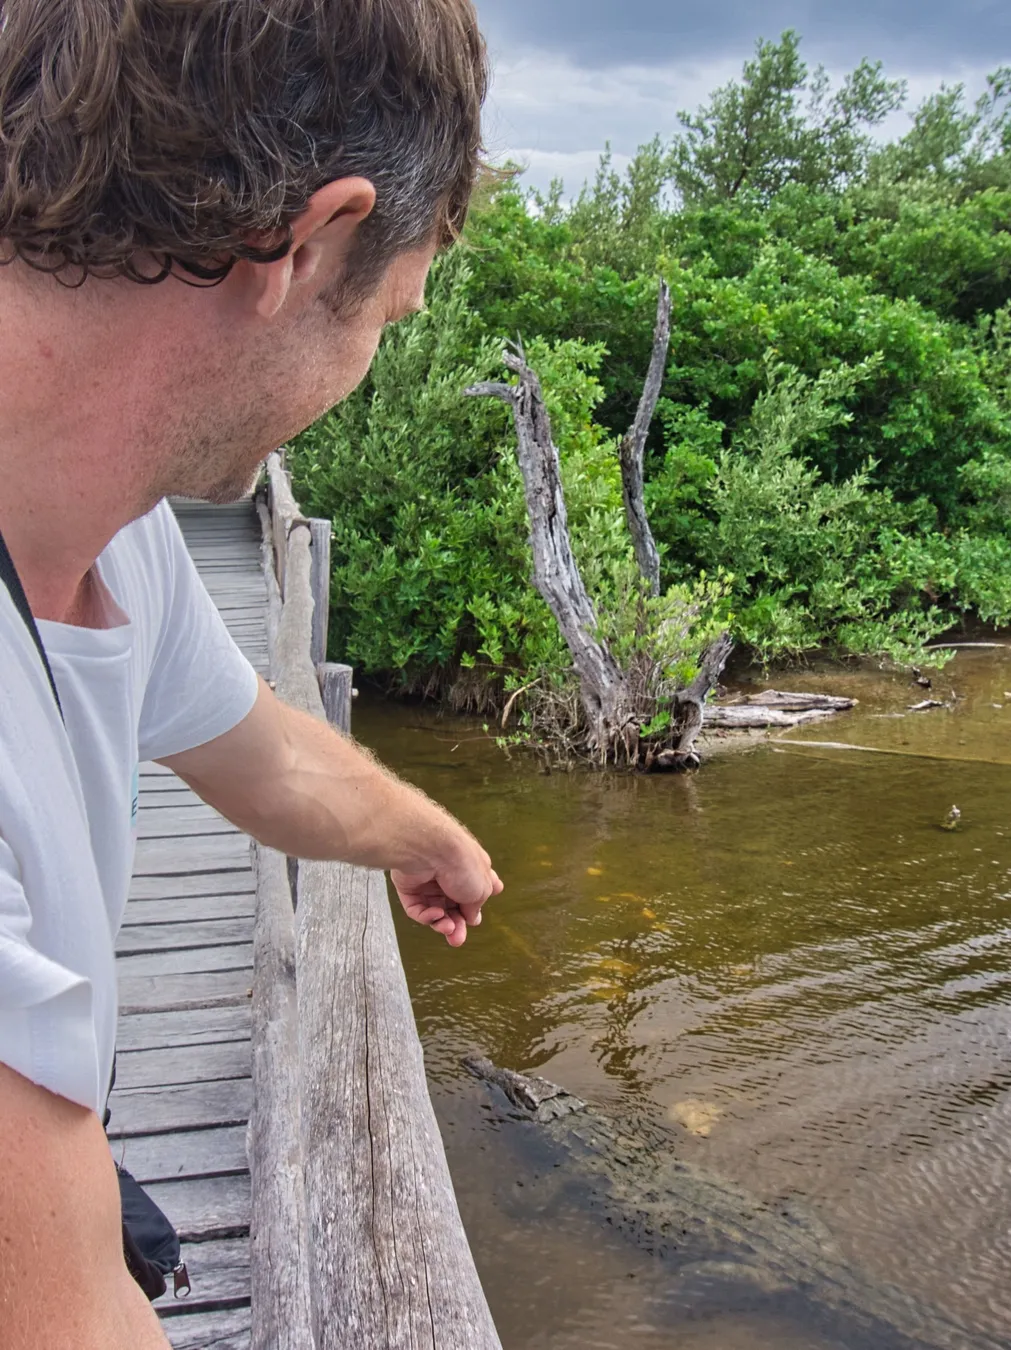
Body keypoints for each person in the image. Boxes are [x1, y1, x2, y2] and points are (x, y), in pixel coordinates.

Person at [0, 2, 498, 1344]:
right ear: (311, 240)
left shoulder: (113, 529)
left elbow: (257, 744)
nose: (361, 368)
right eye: (386, 314)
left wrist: (419, 830)